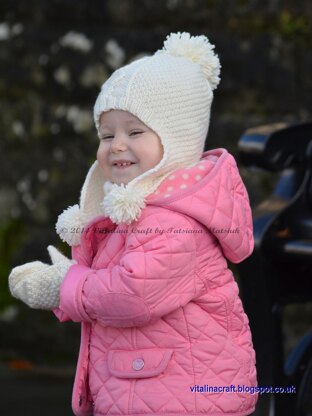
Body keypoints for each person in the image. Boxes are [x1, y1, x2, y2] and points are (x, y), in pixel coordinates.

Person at [8, 32, 258, 416]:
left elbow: (131, 294)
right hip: (148, 390)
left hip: (186, 398)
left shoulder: (176, 222)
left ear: (176, 140)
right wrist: (72, 277)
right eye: (107, 134)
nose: (117, 145)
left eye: (135, 132)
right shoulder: (134, 210)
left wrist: (64, 288)